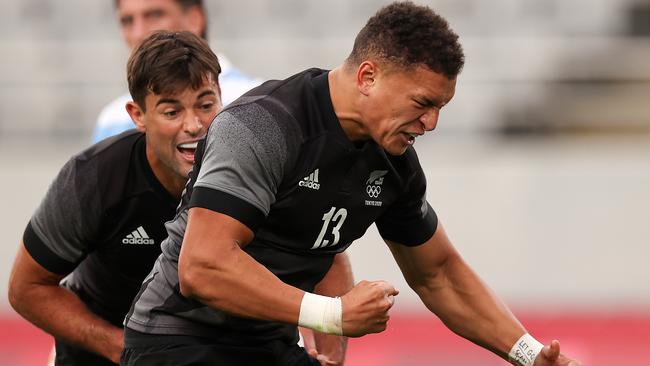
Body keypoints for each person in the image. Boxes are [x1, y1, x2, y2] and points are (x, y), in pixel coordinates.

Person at [121, 2, 582, 366]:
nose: (432, 122)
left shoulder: (395, 163)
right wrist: (333, 315)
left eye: (441, 107)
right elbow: (203, 266)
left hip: (265, 341)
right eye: (423, 103)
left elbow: (438, 273)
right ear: (368, 77)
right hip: (175, 340)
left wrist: (525, 353)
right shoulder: (263, 125)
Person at [8, 31, 349, 366]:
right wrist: (120, 348)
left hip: (226, 351)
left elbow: (328, 256)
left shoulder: (262, 163)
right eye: (172, 112)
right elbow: (27, 288)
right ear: (137, 115)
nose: (194, 125)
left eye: (205, 104)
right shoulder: (92, 179)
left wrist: (332, 354)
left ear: (222, 98)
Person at [92, 0, 261, 143]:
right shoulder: (112, 120)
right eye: (127, 21)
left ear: (194, 19)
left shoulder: (256, 100)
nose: (138, 33)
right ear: (136, 115)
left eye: (155, 15)